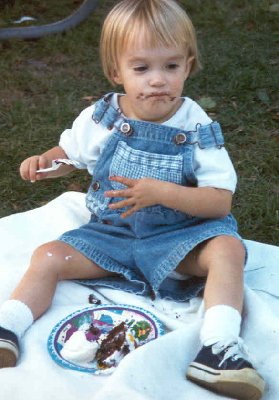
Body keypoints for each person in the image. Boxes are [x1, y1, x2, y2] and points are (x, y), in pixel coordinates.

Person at [0, 0, 265, 398]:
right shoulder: (104, 116)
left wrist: (165, 194)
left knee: (227, 249)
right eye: (141, 68)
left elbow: (219, 204)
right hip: (113, 236)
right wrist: (47, 163)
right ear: (116, 72)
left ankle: (218, 348)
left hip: (179, 240)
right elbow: (71, 155)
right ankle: (9, 327)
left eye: (171, 67)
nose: (157, 80)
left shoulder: (196, 127)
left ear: (188, 66)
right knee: (49, 256)